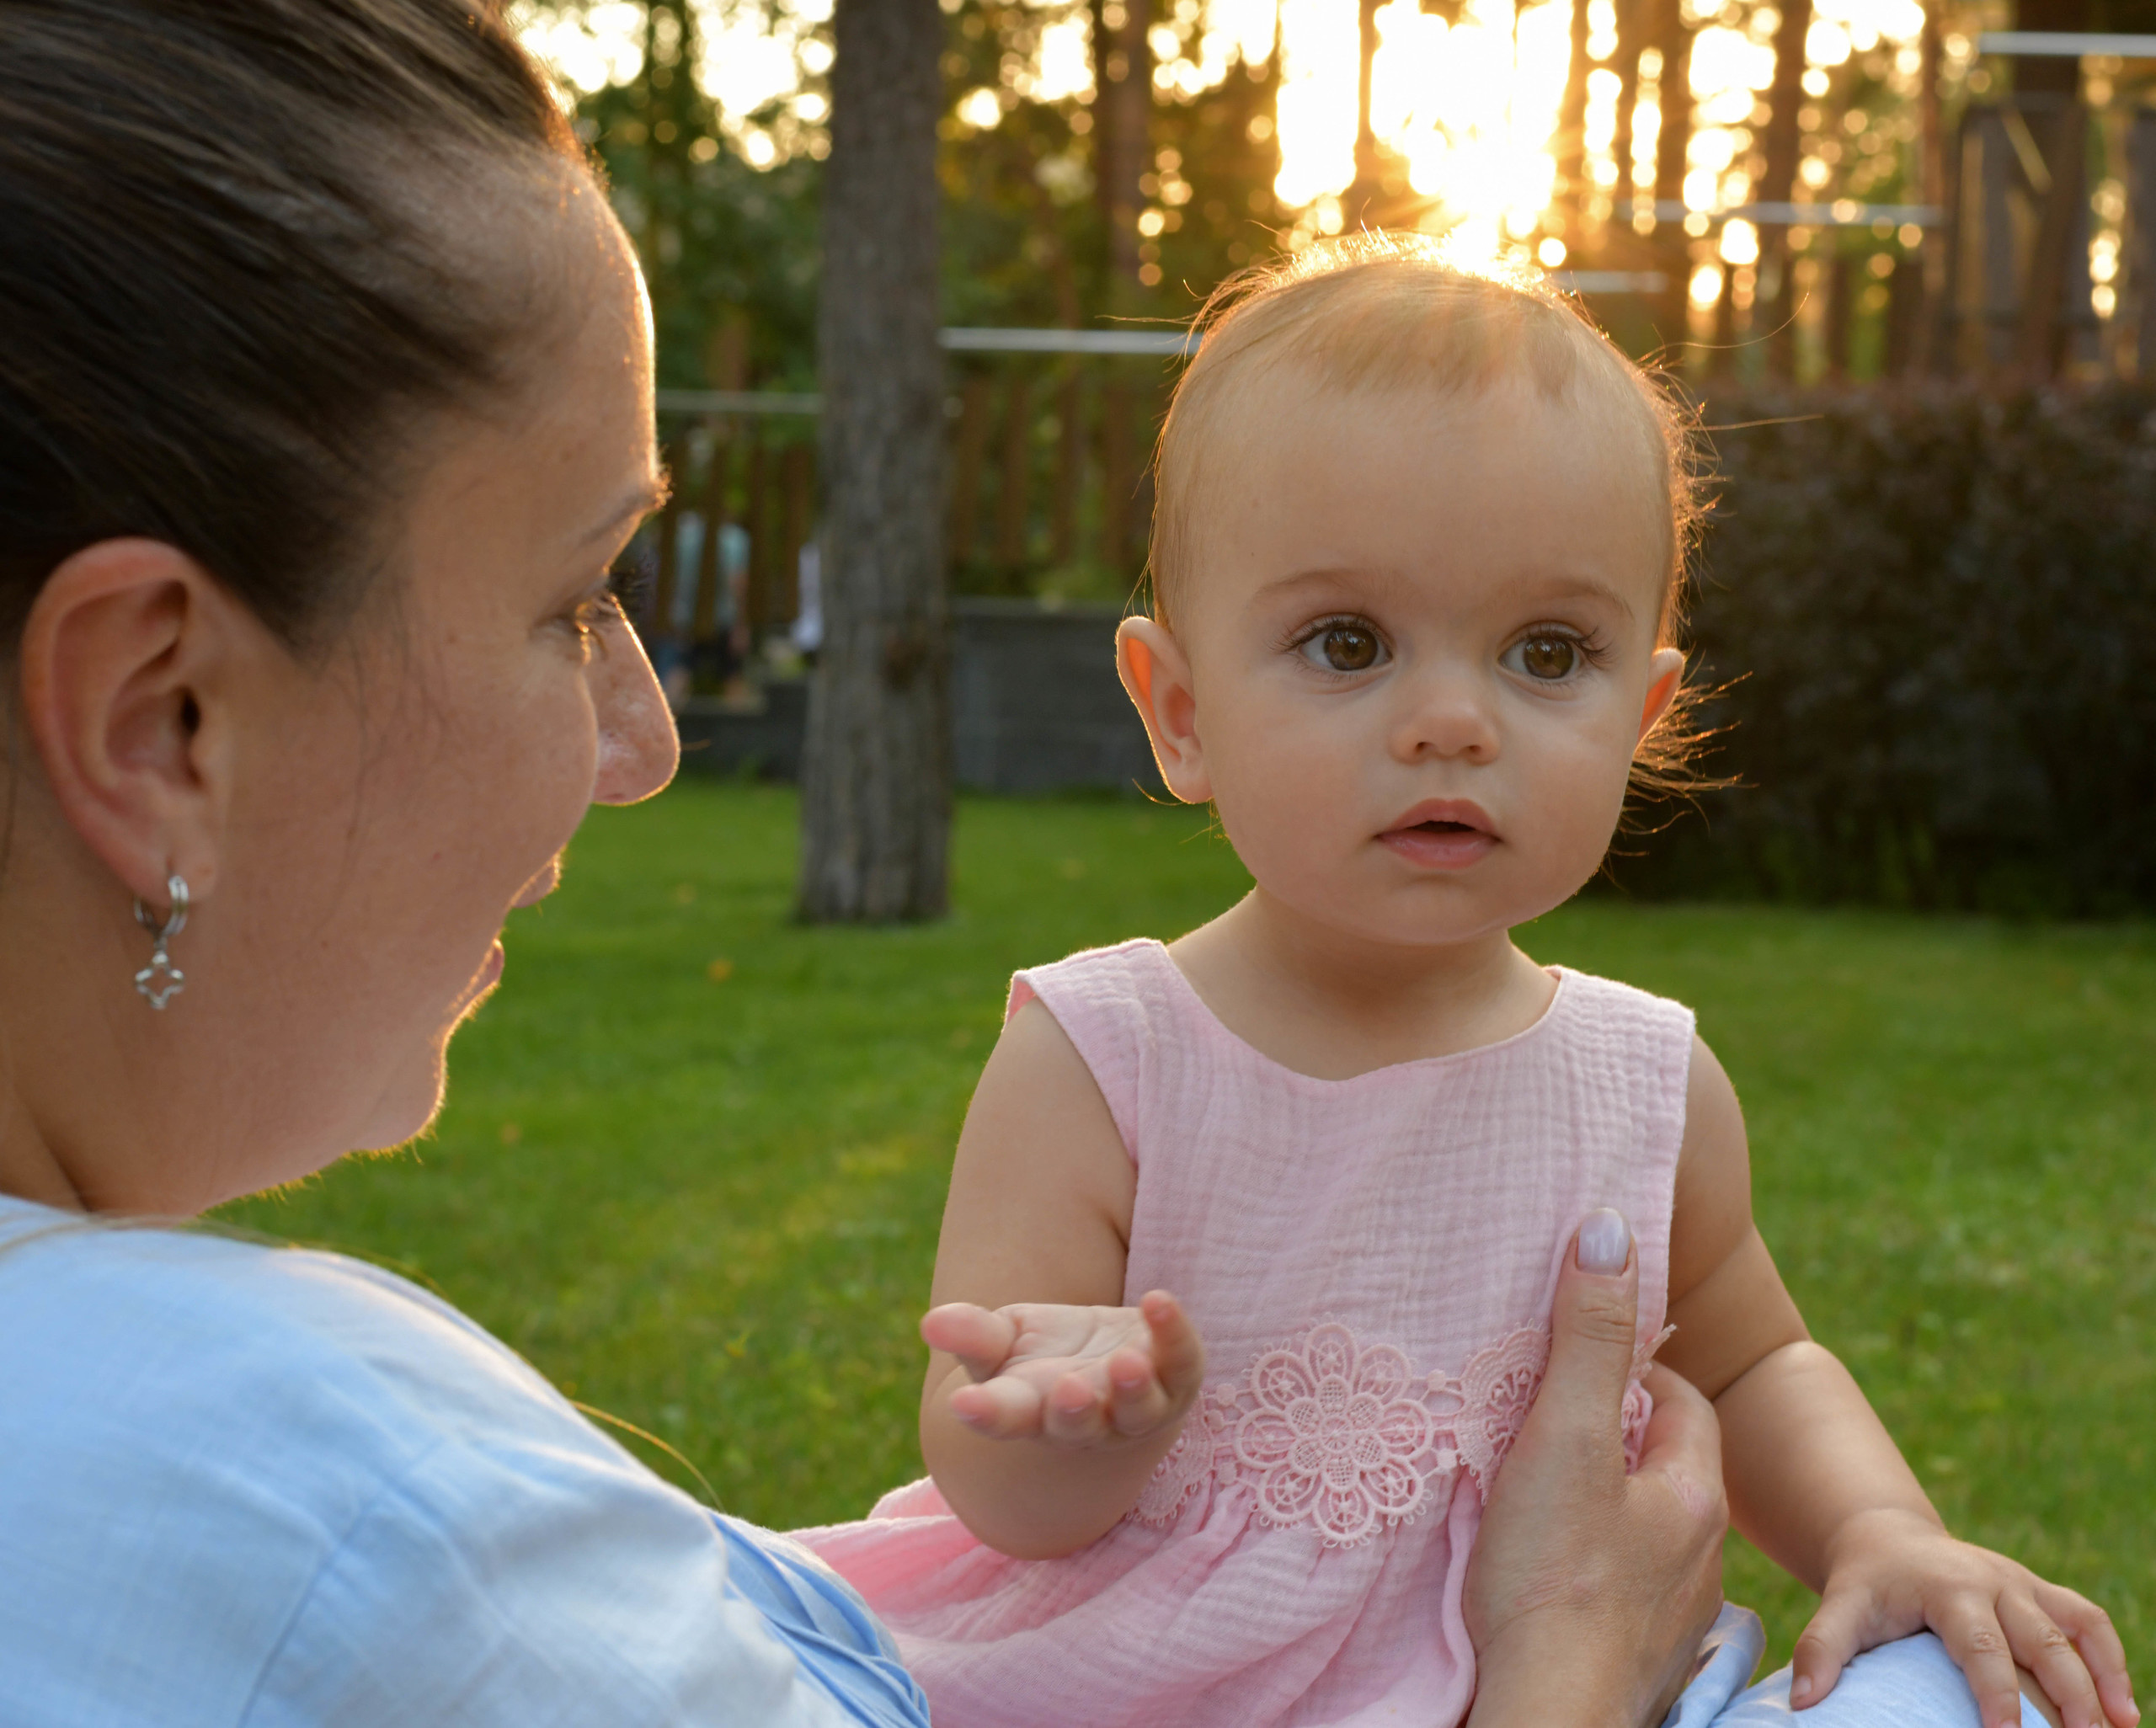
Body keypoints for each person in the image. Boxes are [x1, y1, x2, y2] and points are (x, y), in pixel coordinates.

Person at [0, 5, 1742, 1723]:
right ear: (165, 721)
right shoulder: (348, 1535)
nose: (646, 742)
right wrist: (1560, 1679)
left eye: (1544, 653)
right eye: (577, 601)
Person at [795, 237, 2136, 1728]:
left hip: (1594, 1675)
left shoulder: (1646, 1082)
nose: (1452, 720)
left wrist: (1880, 1529)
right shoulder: (1107, 1059)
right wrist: (1072, 1425)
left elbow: (1758, 1362)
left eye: (1546, 653)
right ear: (1179, 712)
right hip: (1167, 1689)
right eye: (1348, 643)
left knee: (1958, 1696)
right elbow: (1001, 1494)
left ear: (1642, 715)